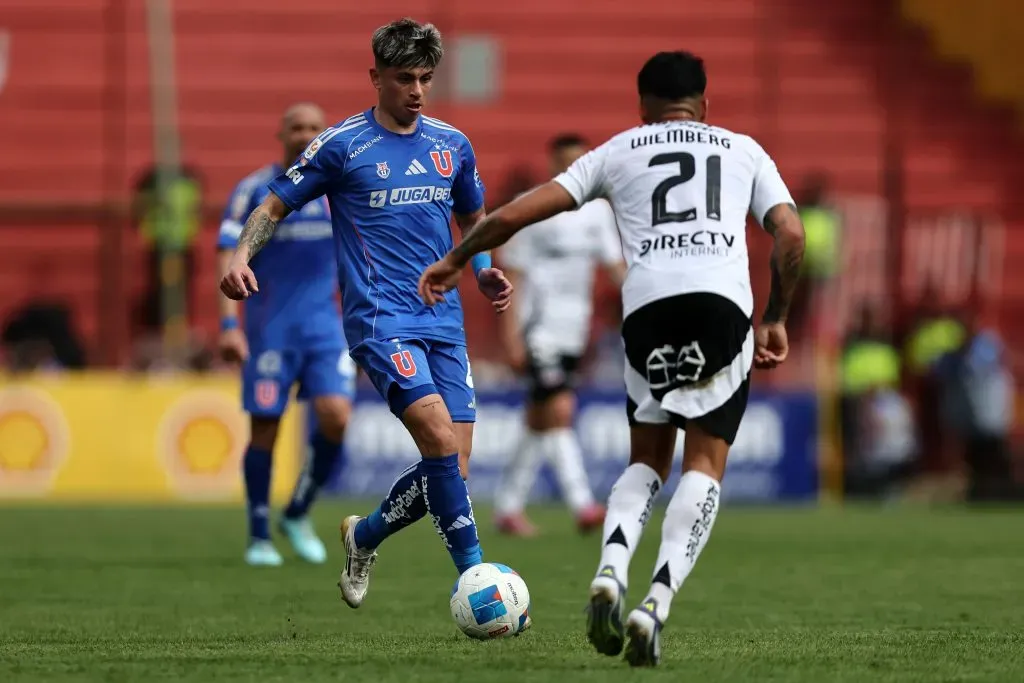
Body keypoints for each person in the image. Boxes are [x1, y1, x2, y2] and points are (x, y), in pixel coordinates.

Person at [419, 51, 804, 666]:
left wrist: (458, 258)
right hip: (719, 309)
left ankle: (609, 573)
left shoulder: (618, 151)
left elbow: (519, 211)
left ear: (642, 105)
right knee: (704, 463)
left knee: (646, 459)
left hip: (647, 309)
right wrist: (777, 318)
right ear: (704, 104)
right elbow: (790, 233)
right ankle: (654, 604)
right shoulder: (744, 150)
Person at [220, 19, 513, 608]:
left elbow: (474, 220)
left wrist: (483, 271)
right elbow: (273, 205)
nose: (417, 90)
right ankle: (477, 577)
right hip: (379, 321)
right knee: (434, 433)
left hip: (444, 322)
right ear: (375, 77)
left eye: (426, 79)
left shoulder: (451, 145)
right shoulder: (341, 145)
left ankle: (365, 534)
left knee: (451, 463)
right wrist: (239, 255)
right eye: (405, 78)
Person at [217, 102, 357, 567]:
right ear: (281, 133)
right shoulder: (256, 190)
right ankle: (259, 535)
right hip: (270, 330)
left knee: (336, 415)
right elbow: (228, 255)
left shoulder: (337, 191)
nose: (305, 134)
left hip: (325, 328)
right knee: (265, 429)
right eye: (297, 127)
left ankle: (297, 511)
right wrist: (229, 325)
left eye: (314, 127)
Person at [494, 133, 626, 536]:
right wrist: (511, 336)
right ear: (553, 163)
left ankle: (508, 508)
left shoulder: (598, 213)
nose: (573, 169)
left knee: (539, 418)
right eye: (565, 162)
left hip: (575, 329)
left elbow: (616, 267)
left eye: (579, 162)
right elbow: (510, 275)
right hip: (538, 327)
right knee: (560, 410)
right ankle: (583, 504)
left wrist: (647, 303)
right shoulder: (534, 208)